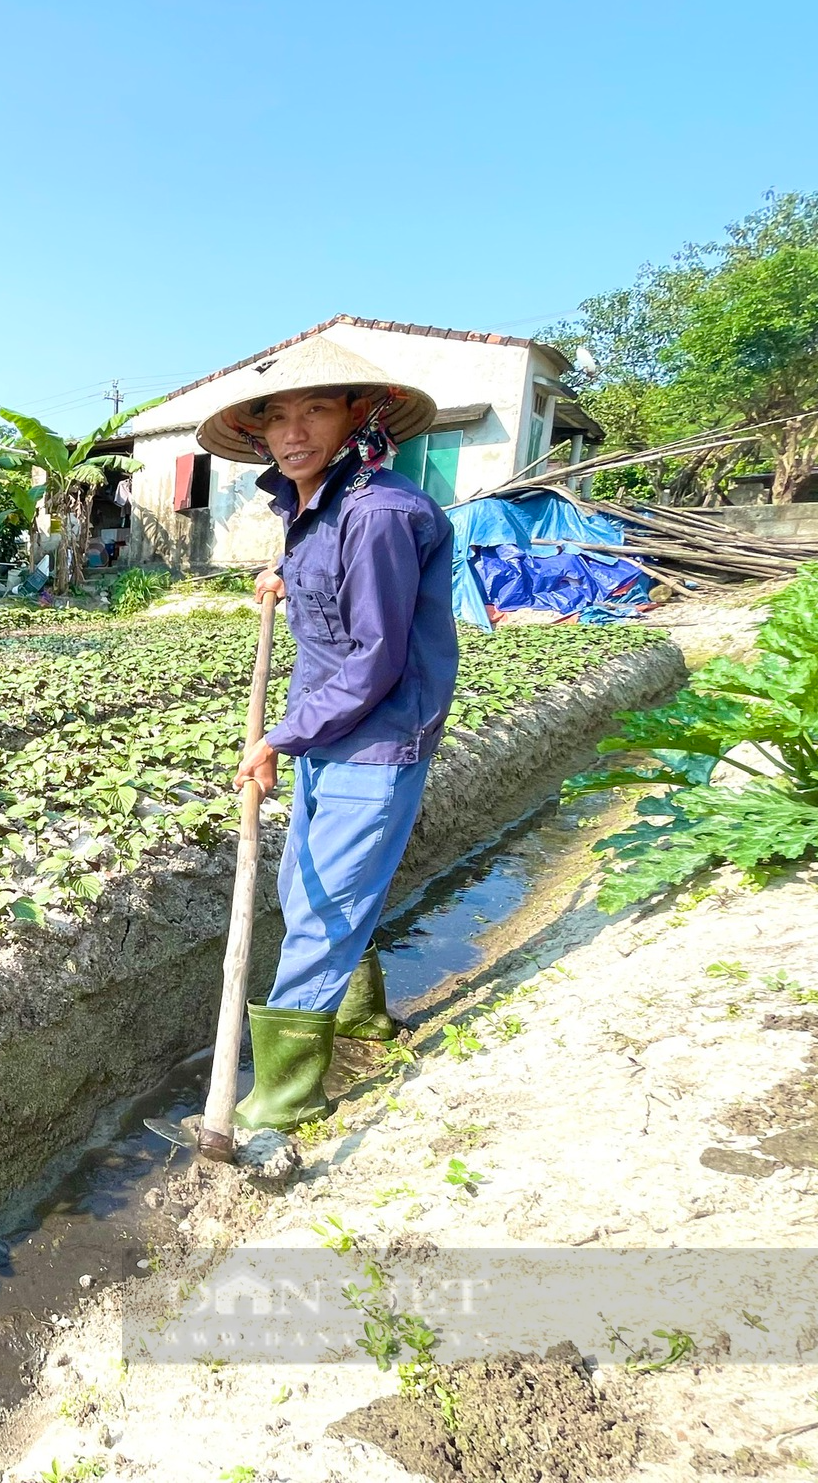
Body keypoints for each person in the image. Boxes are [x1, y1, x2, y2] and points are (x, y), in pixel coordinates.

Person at [194, 337, 460, 1131]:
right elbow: (335, 593)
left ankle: (280, 1100)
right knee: (308, 887)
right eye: (277, 416)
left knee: (323, 908)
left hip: (372, 739)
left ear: (358, 415)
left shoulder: (378, 513)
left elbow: (375, 657)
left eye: (316, 409)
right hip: (329, 733)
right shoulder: (319, 509)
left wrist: (278, 737)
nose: (294, 431)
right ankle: (360, 1017)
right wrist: (286, 574)